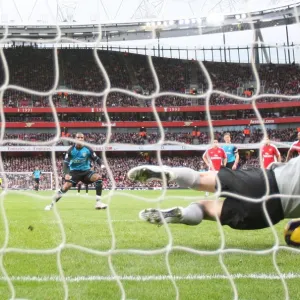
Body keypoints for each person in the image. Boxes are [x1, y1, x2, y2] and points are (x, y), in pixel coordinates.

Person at [127, 156, 300, 230]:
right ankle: (183, 214)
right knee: (205, 208)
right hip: (270, 215)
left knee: (200, 179)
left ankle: (170, 173)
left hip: (267, 181)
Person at [45, 132, 107, 211]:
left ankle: (98, 203)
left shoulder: (88, 149)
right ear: (75, 139)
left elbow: (96, 158)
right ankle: (51, 205)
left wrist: (101, 165)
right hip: (74, 172)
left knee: (98, 178)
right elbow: (66, 163)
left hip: (86, 172)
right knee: (66, 187)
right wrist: (66, 173)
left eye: (82, 138)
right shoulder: (71, 150)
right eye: (78, 137)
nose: (80, 139)